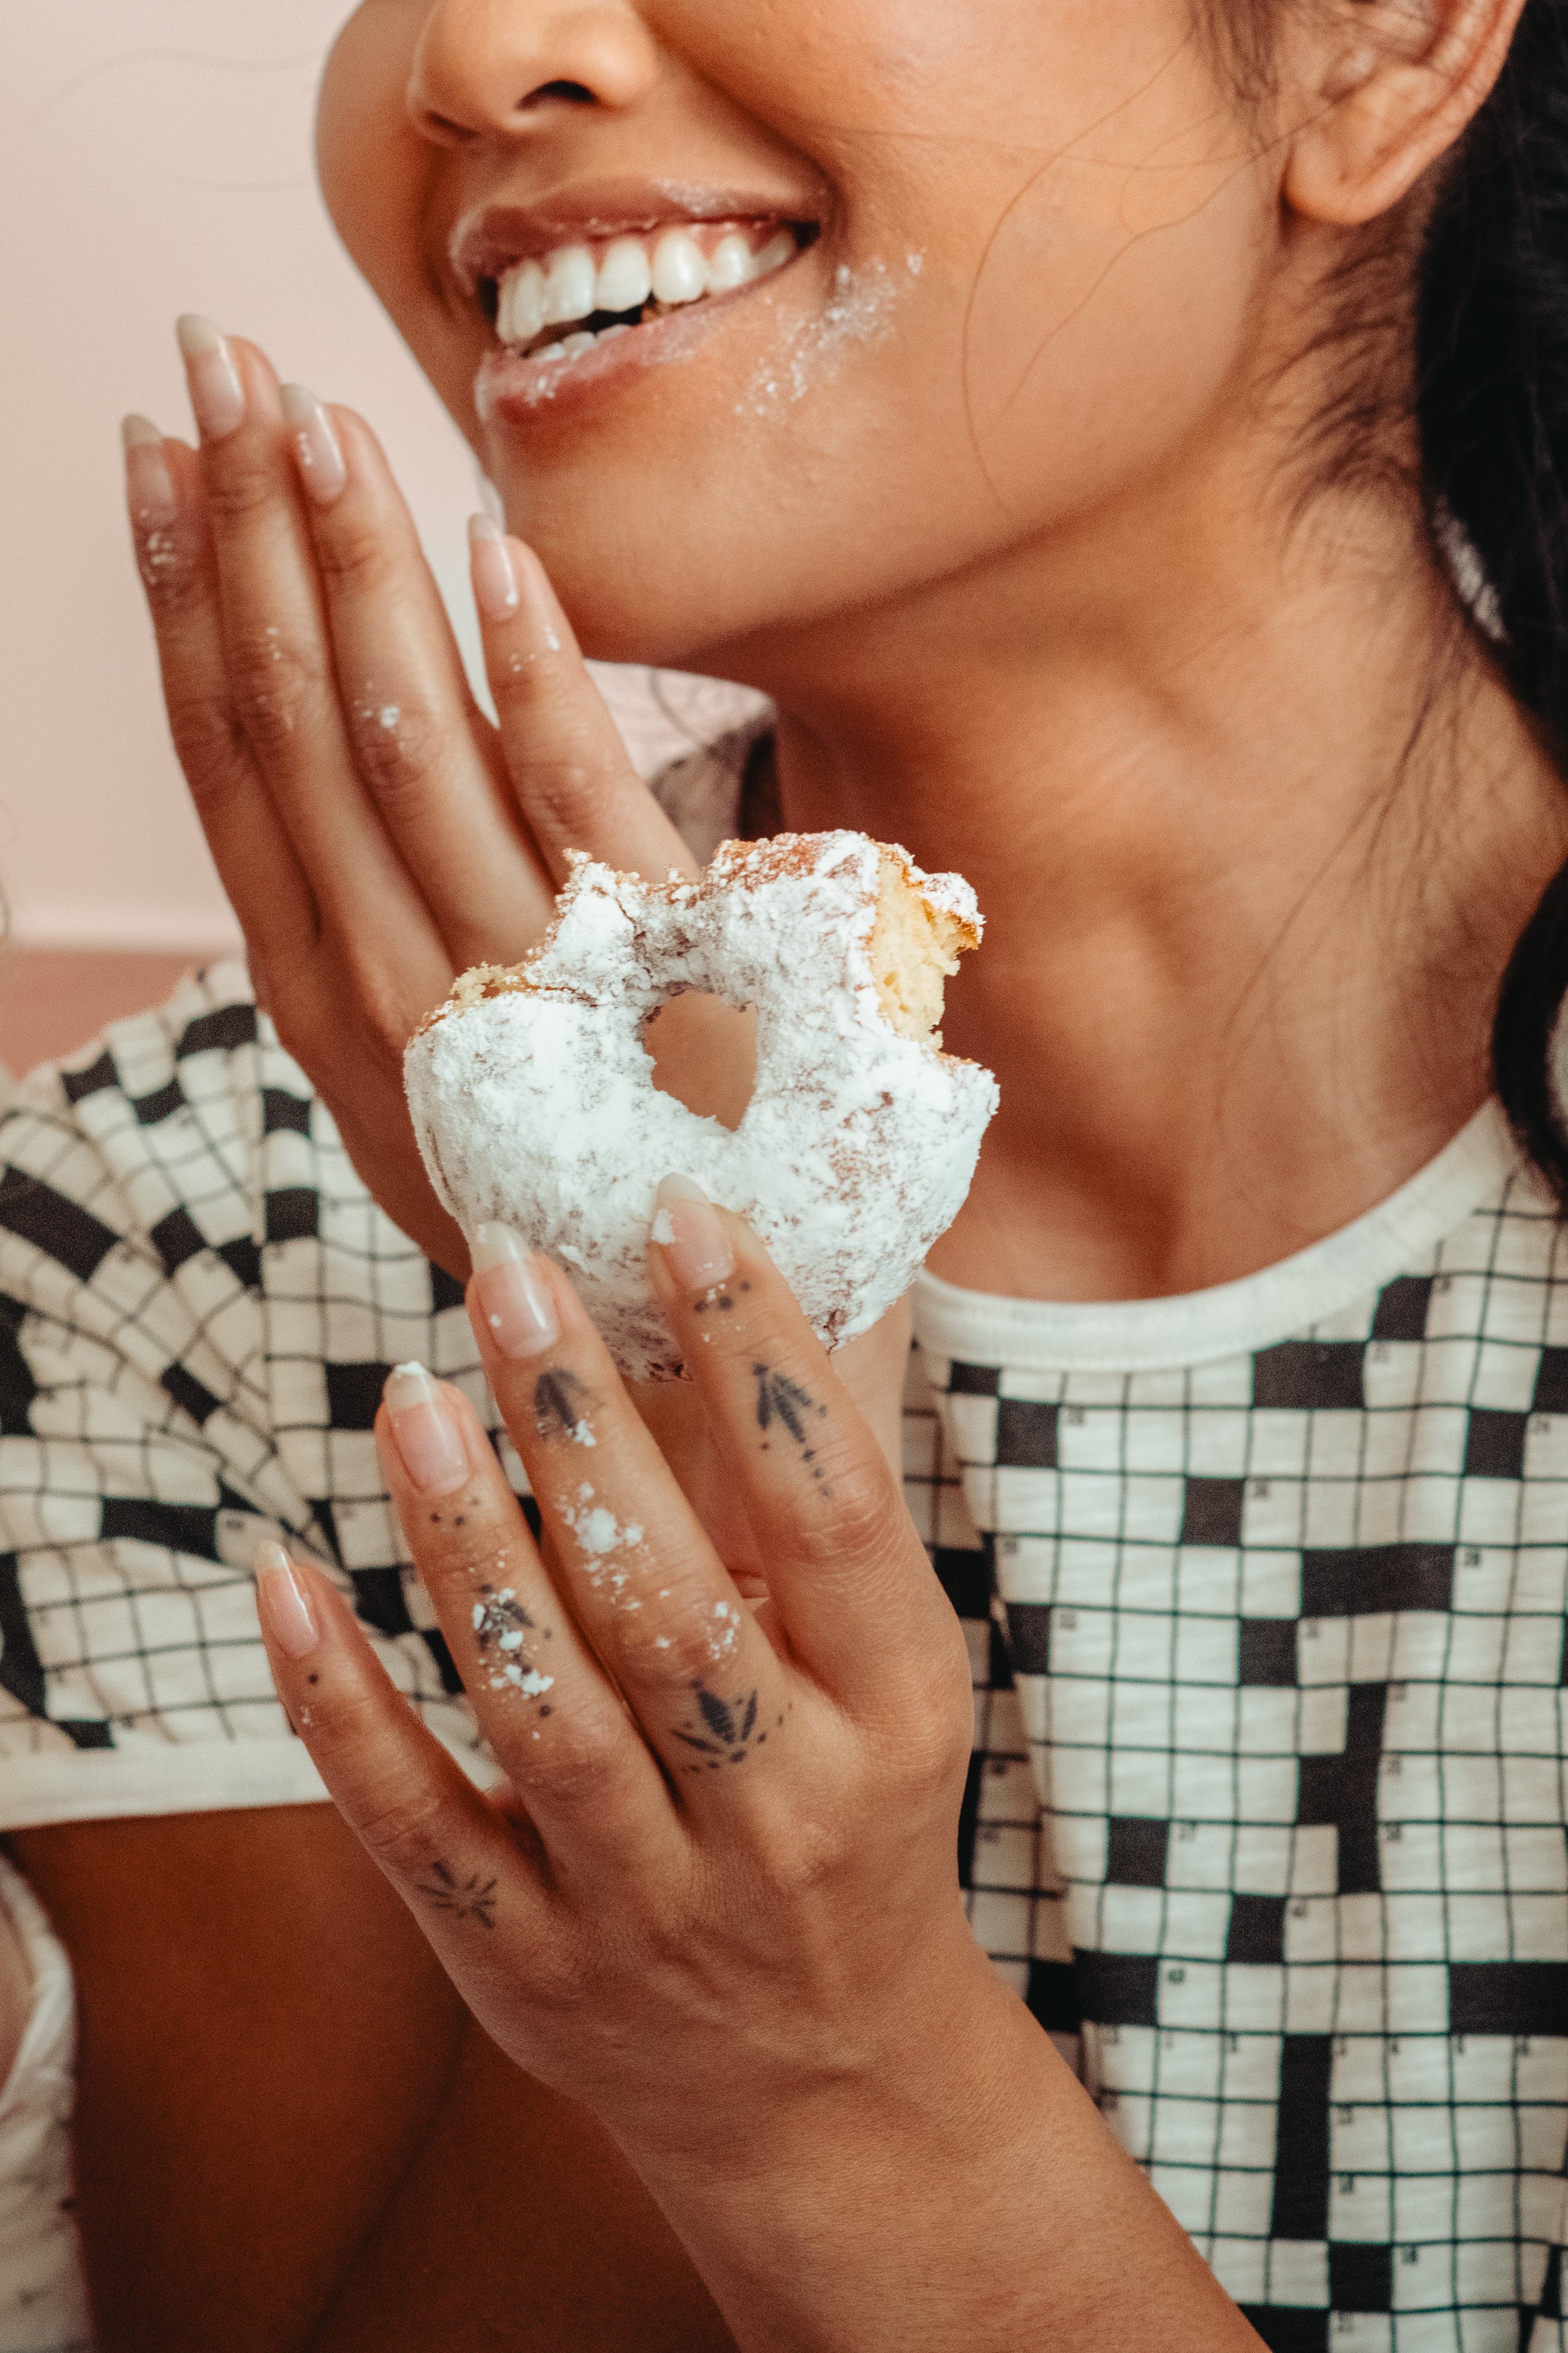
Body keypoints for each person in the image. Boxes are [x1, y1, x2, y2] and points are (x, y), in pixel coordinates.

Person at [0, 0, 1565, 2343]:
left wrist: (843, 2079)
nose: (478, 51)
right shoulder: (179, 1233)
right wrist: (655, 1544)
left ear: (1382, 42)